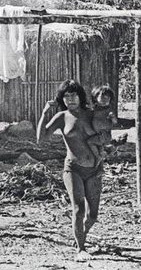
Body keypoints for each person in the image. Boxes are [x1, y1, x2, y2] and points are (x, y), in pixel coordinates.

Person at [37, 79, 101, 260]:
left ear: (80, 96)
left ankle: (81, 234)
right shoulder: (62, 117)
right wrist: (44, 114)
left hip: (95, 169)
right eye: (66, 96)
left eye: (73, 95)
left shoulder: (92, 115)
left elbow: (106, 134)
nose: (70, 99)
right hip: (73, 169)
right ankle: (81, 249)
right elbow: (41, 139)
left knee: (93, 215)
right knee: (78, 209)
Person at [88, 85, 127, 166]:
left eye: (107, 98)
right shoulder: (93, 109)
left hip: (104, 134)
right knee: (100, 149)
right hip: (97, 133)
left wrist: (112, 117)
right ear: (95, 98)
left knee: (90, 142)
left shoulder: (108, 110)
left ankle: (98, 156)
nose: (104, 100)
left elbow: (115, 123)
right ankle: (107, 152)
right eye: (102, 97)